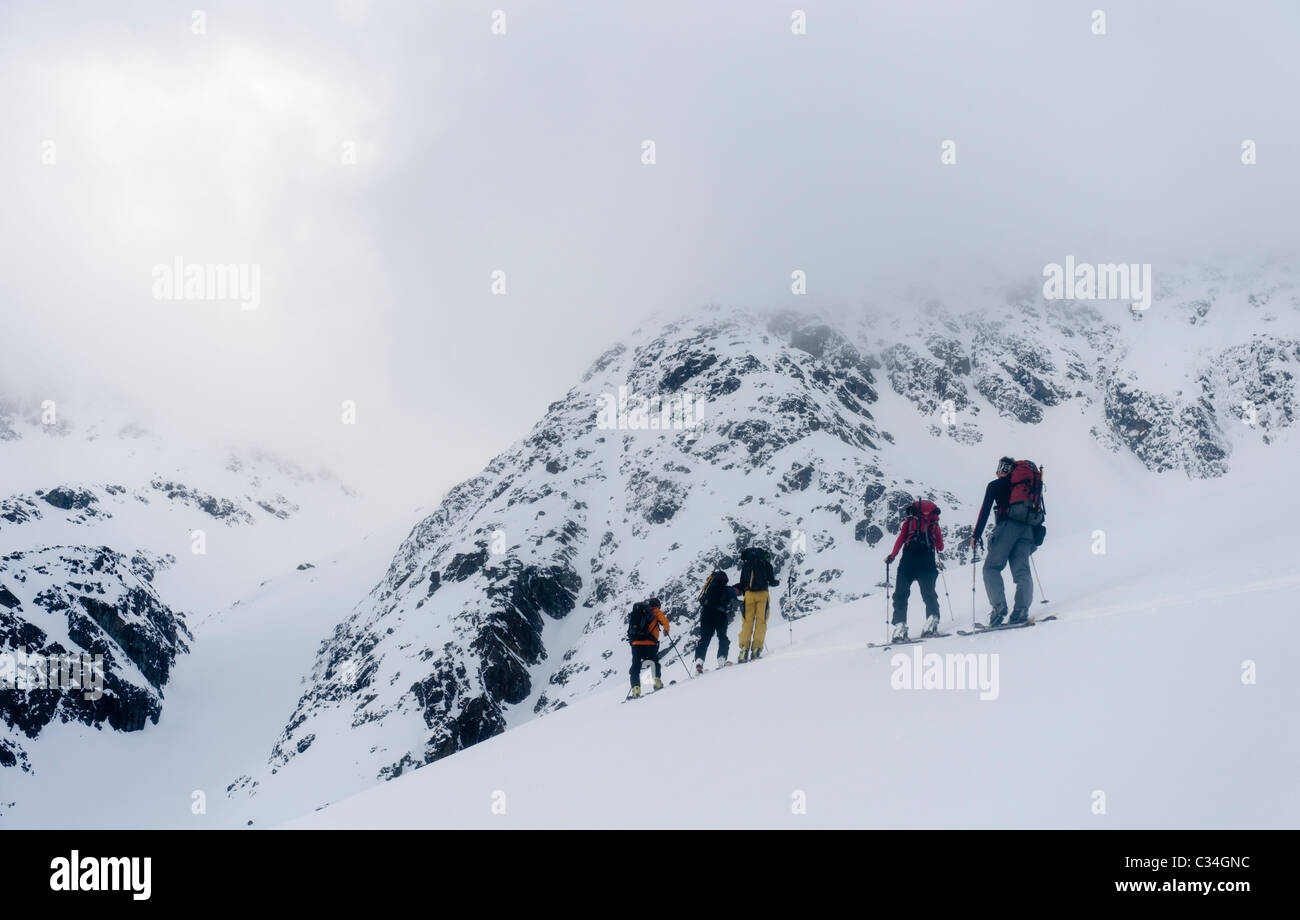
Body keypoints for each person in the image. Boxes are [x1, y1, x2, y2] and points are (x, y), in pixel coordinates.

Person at [970, 456, 1041, 627]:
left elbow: (985, 510)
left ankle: (999, 608)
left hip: (1007, 527)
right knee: (1022, 572)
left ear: (1001, 470)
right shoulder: (1026, 486)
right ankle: (1021, 610)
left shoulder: (996, 485)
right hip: (1027, 530)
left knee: (991, 568)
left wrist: (976, 534)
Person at [885, 499, 945, 641]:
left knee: (900, 594)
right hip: (927, 562)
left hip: (908, 561)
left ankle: (900, 627)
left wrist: (892, 556)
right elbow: (940, 546)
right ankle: (932, 621)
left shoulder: (909, 522)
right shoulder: (934, 524)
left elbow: (901, 539)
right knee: (929, 593)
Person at [735, 548, 778, 662]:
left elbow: (743, 582)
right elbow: (772, 581)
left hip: (748, 595)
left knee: (747, 622)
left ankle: (744, 649)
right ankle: (756, 649)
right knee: (761, 622)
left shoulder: (745, 566)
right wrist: (777, 582)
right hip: (763, 594)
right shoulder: (766, 564)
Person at [628, 597, 670, 698]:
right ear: (656, 605)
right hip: (650, 643)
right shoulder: (655, 611)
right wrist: (666, 630)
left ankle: (636, 689)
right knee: (654, 662)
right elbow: (665, 621)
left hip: (636, 644)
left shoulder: (637, 612)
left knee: (636, 666)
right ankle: (657, 682)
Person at [694, 570, 736, 672]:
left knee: (704, 639)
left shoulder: (708, 589)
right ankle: (721, 659)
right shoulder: (728, 589)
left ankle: (699, 662)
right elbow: (733, 601)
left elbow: (701, 601)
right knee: (722, 637)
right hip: (720, 615)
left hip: (706, 614)